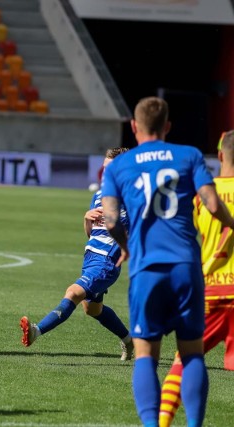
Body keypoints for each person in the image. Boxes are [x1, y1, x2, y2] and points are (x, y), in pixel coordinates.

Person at [101, 97, 234, 427]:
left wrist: (126, 245)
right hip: (186, 267)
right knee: (192, 353)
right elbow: (213, 203)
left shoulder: (119, 166)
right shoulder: (188, 155)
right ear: (168, 127)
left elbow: (110, 218)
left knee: (146, 354)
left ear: (134, 126)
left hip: (147, 268)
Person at [20, 147, 133, 360]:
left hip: (107, 262)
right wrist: (86, 218)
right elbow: (90, 234)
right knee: (92, 310)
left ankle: (36, 331)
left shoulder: (131, 197)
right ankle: (129, 340)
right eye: (104, 167)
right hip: (90, 258)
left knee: (72, 293)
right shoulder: (99, 195)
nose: (105, 172)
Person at [158, 130, 234, 427]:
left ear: (222, 156)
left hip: (210, 291)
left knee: (184, 360)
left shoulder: (203, 195)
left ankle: (162, 423)